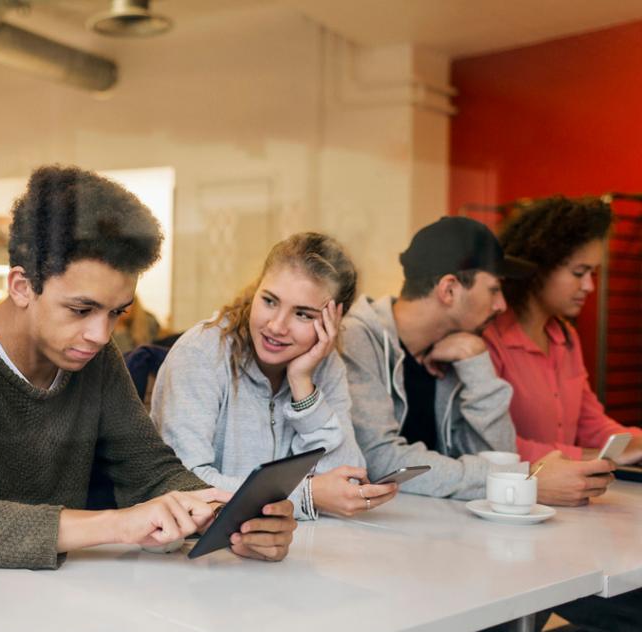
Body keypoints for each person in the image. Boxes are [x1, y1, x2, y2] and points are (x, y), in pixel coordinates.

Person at [0, 165, 297, 567]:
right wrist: (115, 525)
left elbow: (151, 470)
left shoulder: (95, 360)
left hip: (65, 598)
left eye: (116, 312)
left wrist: (229, 513)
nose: (101, 335)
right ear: (21, 286)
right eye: (81, 309)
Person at [340, 216, 614, 503]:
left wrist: (476, 362)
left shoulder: (457, 349)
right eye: (494, 290)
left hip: (435, 530)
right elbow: (382, 460)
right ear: (449, 290)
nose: (501, 305)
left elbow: (497, 453)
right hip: (368, 532)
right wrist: (522, 481)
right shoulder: (355, 338)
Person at [152, 232, 396, 518]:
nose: (277, 326)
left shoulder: (325, 364)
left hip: (285, 546)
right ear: (256, 290)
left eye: (303, 314)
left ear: (334, 320)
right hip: (197, 549)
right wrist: (306, 495)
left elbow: (345, 482)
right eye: (269, 301)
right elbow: (184, 483)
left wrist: (303, 386)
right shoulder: (201, 353)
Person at [486, 196, 642, 471]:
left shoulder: (566, 338)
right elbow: (494, 445)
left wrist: (635, 443)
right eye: (579, 272)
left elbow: (590, 421)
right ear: (538, 268)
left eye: (592, 274)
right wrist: (587, 458)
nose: (588, 287)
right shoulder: (489, 339)